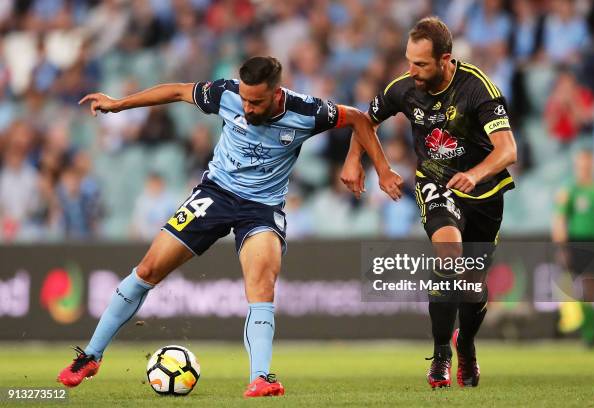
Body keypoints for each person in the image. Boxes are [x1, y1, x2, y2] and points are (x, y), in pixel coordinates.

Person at [57, 56, 403, 397]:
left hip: (262, 209)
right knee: (147, 269)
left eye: (257, 102)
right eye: (245, 99)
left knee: (262, 284)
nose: (248, 108)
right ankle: (90, 356)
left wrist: (376, 167)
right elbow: (177, 91)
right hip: (215, 194)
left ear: (276, 93)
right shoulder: (226, 93)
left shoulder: (308, 111)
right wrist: (119, 105)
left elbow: (359, 118)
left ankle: (261, 378)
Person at [341, 17, 517, 388]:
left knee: (473, 284)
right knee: (448, 254)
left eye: (420, 64)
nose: (411, 70)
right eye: (409, 60)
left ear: (446, 59)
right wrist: (359, 161)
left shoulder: (477, 88)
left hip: (483, 192)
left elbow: (507, 150)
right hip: (436, 183)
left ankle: (465, 344)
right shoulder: (404, 88)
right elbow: (363, 120)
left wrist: (475, 175)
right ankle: (441, 354)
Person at [552, 149, 594, 348]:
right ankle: (570, 324)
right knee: (569, 285)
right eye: (581, 163)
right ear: (577, 165)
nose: (585, 167)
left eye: (588, 163)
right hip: (575, 241)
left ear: (592, 165)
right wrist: (562, 245)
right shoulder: (570, 189)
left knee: (592, 290)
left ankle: (590, 334)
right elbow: (560, 218)